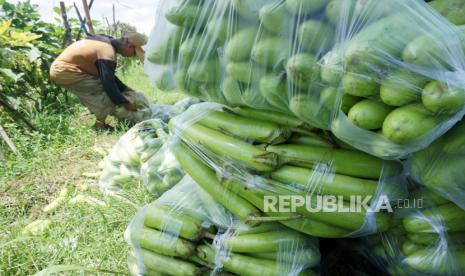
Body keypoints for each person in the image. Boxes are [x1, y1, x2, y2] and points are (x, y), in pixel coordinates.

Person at [49, 32, 148, 130]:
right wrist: (125, 103)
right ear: (129, 46)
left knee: (109, 91)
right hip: (65, 71)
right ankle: (99, 126)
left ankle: (100, 123)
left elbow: (109, 77)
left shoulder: (107, 42)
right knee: (105, 93)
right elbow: (108, 84)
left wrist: (126, 89)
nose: (132, 56)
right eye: (134, 53)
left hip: (63, 69)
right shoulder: (107, 51)